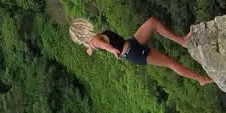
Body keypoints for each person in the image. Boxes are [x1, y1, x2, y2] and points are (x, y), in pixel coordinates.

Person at [68, 16, 213, 85]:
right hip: (133, 53)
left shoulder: (92, 42)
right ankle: (202, 79)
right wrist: (112, 50)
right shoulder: (95, 40)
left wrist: (90, 50)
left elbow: (93, 47)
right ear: (83, 27)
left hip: (131, 43)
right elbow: (105, 46)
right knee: (172, 63)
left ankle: (183, 41)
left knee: (152, 22)